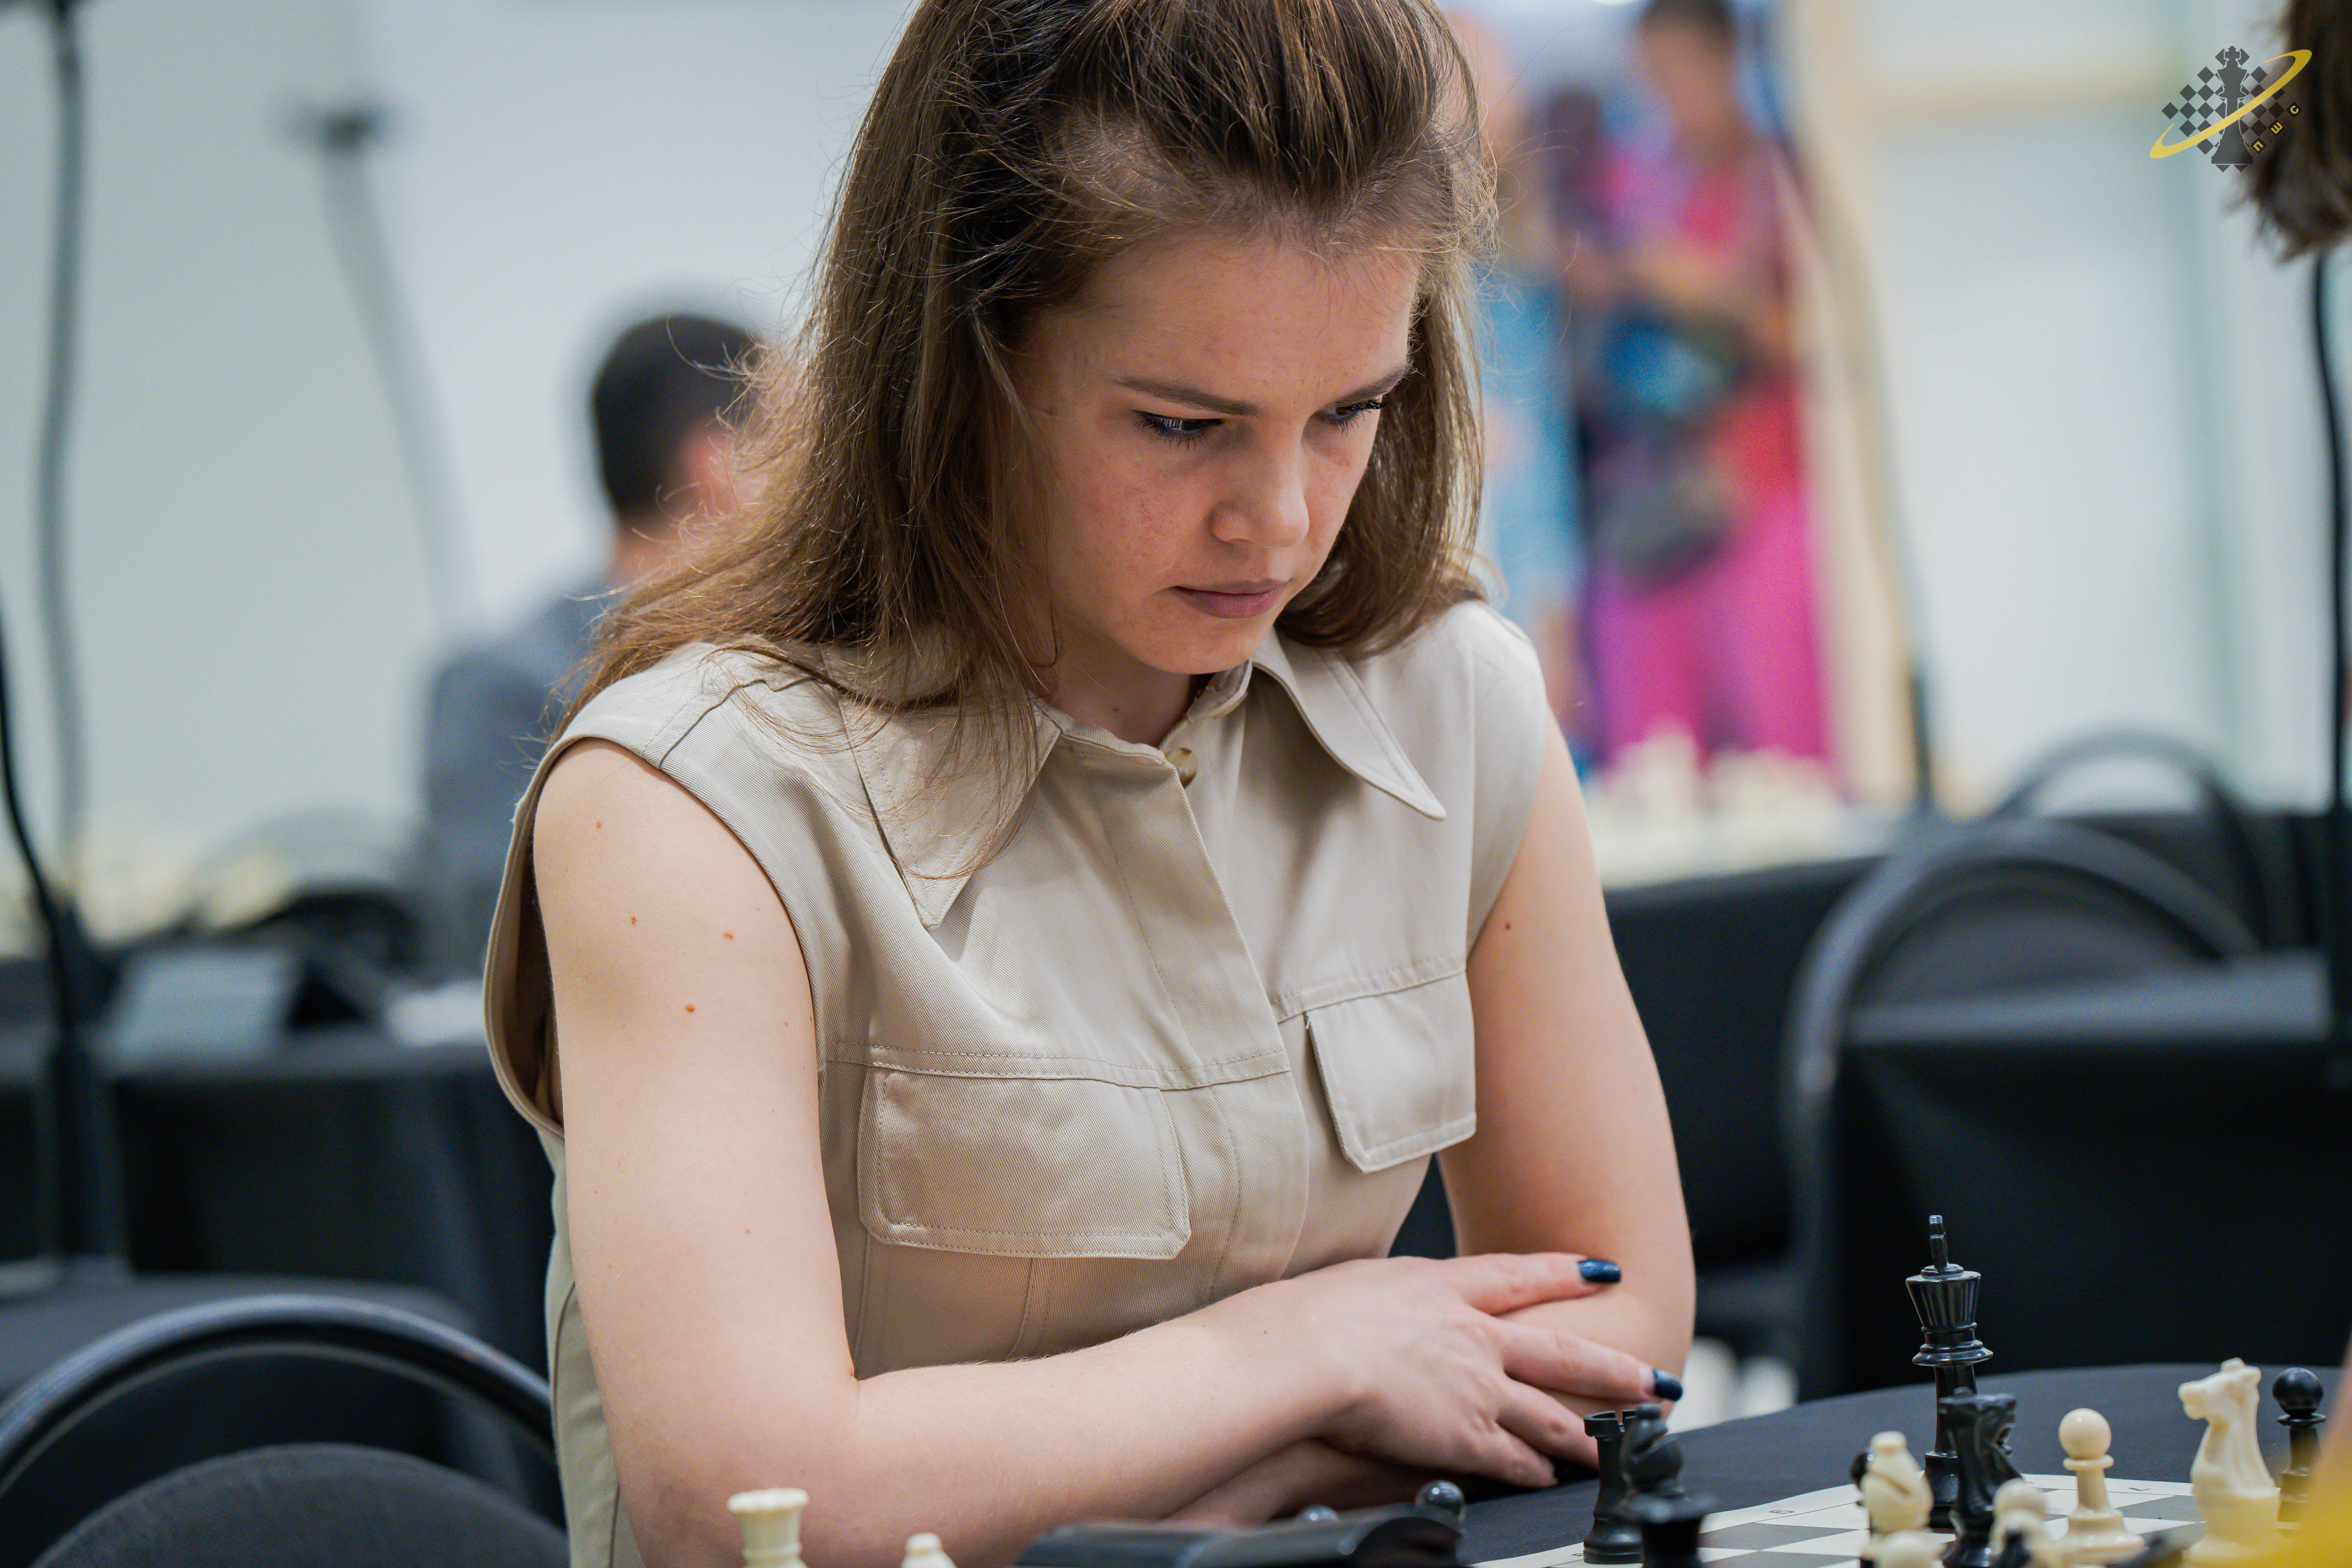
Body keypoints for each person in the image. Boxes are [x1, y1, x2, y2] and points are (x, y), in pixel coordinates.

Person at [483, 5, 1694, 1568]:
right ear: (963, 364)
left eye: (1349, 412)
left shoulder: (1449, 700)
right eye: (1183, 425)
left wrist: (1209, 1472)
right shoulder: (689, 802)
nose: (1278, 518)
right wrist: (1308, 1357)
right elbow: (749, 1506)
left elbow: (1613, 1317)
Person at [418, 313, 756, 972]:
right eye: (797, 448)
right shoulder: (502, 689)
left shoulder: (802, 667)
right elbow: (511, 949)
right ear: (716, 463)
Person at [1559, 0, 1829, 771]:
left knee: (1786, 745)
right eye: (1650, 74)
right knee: (1651, 752)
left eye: (1680, 69)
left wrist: (1701, 287)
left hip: (1758, 491)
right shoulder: (1633, 180)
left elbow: (1818, 337)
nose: (1666, 93)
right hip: (1651, 495)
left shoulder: (1783, 174)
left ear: (1728, 59)